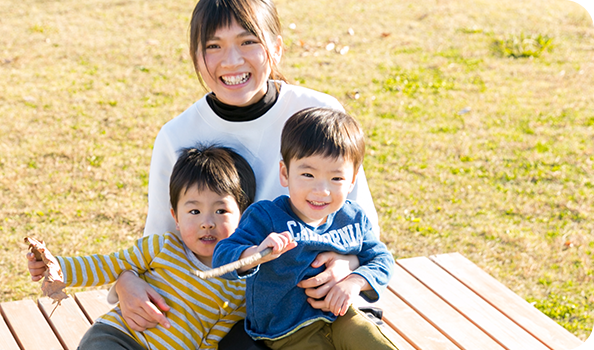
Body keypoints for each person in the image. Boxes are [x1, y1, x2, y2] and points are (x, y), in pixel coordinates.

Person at [112, 0, 382, 345]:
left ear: (277, 48)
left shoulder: (320, 113)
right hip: (237, 315)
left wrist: (348, 264)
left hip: (328, 302)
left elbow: (363, 226)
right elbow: (159, 240)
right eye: (213, 46)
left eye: (248, 41)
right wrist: (125, 281)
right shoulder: (177, 136)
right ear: (196, 57)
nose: (232, 60)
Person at [26, 145, 256, 349]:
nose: (207, 222)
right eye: (194, 211)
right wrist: (58, 267)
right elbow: (109, 265)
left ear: (243, 216)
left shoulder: (239, 284)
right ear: (176, 218)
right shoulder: (163, 247)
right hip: (116, 338)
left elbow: (212, 337)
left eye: (221, 211)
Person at [213, 107, 397, 349]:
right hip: (284, 331)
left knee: (372, 340)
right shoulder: (267, 217)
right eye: (308, 174)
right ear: (285, 173)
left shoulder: (353, 218)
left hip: (339, 316)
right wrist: (256, 253)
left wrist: (354, 282)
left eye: (336, 178)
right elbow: (221, 258)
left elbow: (382, 259)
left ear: (352, 181)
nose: (321, 190)